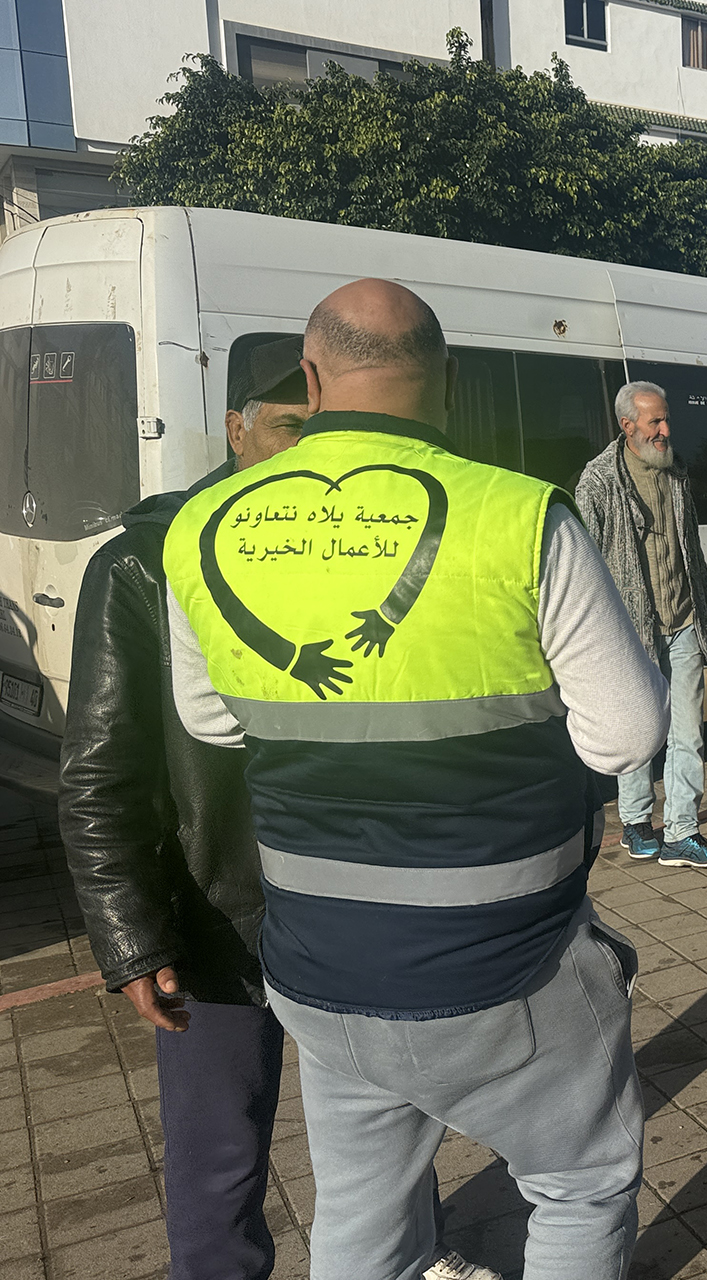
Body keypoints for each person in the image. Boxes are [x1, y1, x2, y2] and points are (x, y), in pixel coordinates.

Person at [163, 280, 668, 1280]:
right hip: (503, 963)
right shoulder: (518, 514)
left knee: (363, 1216)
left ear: (311, 379)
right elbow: (625, 734)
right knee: (578, 1186)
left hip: (315, 966)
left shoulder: (203, 523)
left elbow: (208, 719)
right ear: (451, 381)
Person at [61, 339, 498, 1280]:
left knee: (393, 1118)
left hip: (354, 899)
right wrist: (131, 939)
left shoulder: (365, 545)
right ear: (236, 429)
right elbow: (99, 773)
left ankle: (416, 1255)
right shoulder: (146, 561)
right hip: (220, 913)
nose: (313, 448)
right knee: (220, 1155)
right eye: (292, 428)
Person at [575, 381, 707, 868]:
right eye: (655, 421)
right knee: (640, 729)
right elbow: (585, 559)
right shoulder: (599, 481)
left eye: (666, 419)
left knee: (689, 733)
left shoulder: (676, 471)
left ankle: (682, 832)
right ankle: (636, 822)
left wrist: (705, 606)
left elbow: (690, 546)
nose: (665, 430)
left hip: (683, 621)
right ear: (627, 426)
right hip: (631, 629)